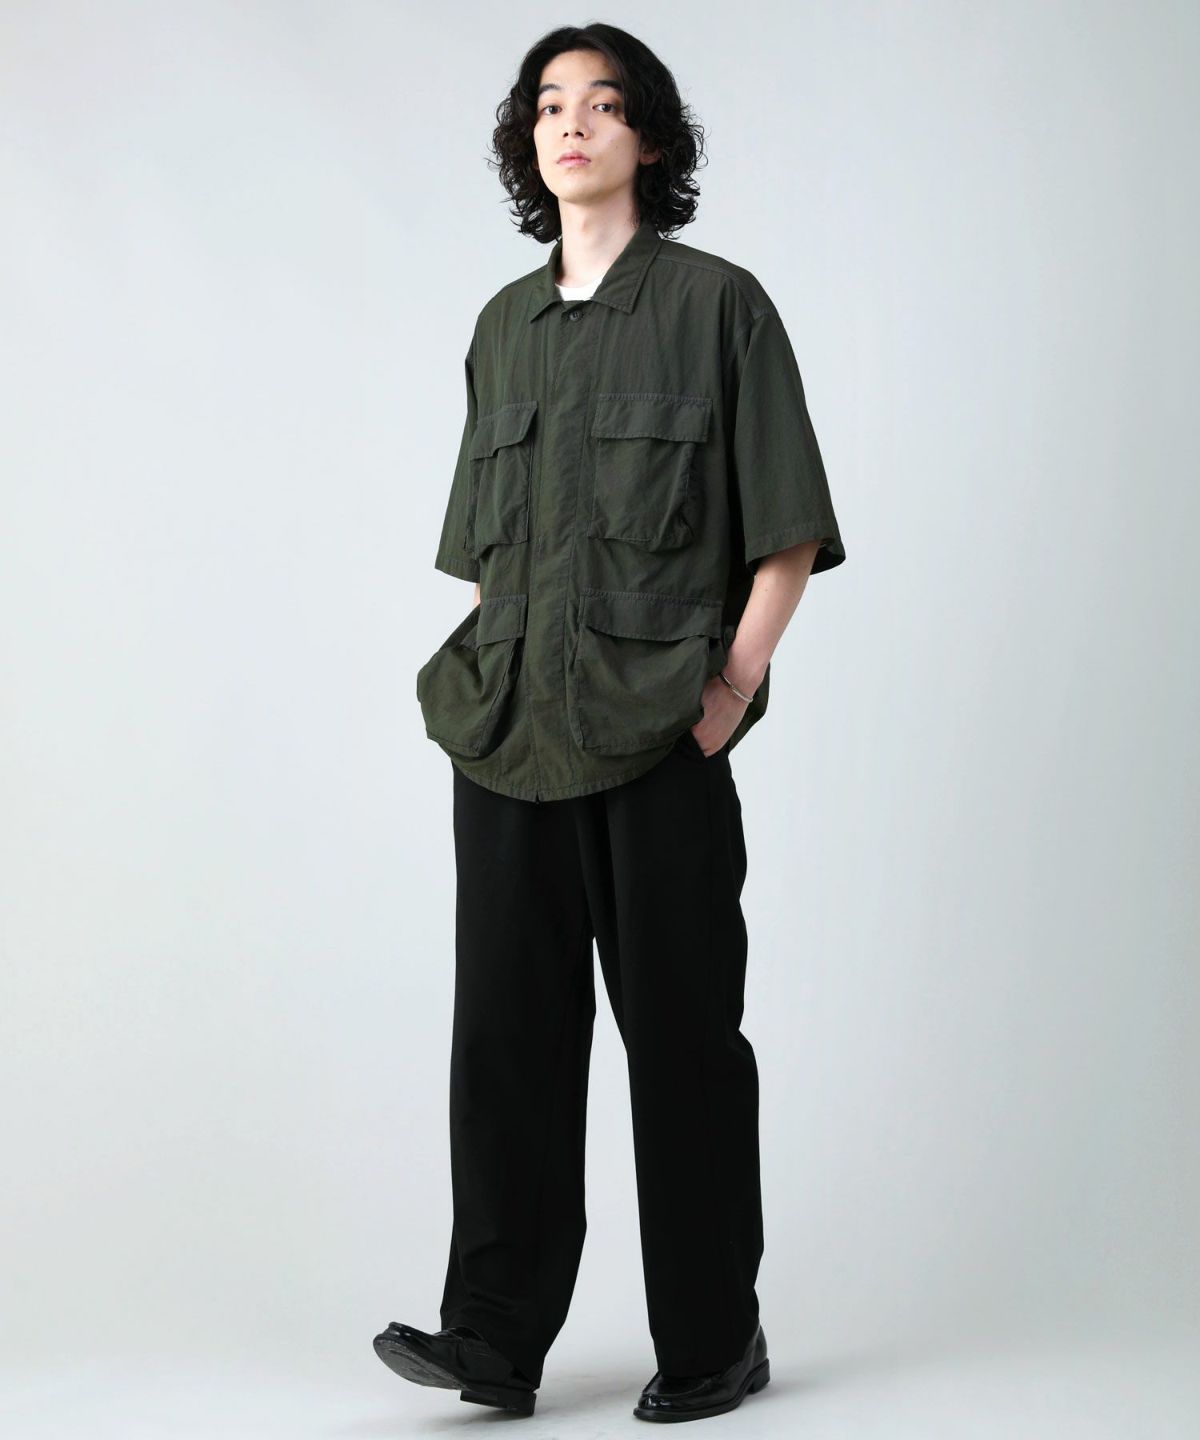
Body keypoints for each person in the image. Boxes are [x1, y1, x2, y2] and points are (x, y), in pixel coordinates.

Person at [374, 22, 846, 1424]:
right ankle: (492, 1338)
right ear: (529, 142)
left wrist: (727, 695)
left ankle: (713, 1340)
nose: (571, 124)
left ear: (649, 137)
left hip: (656, 739)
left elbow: (787, 533)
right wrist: (491, 690)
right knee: (504, 1047)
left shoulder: (720, 307)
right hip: (508, 737)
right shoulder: (500, 329)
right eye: (548, 106)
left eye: (603, 103)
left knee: (684, 1043)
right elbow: (486, 554)